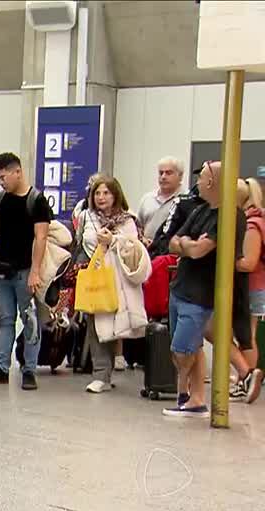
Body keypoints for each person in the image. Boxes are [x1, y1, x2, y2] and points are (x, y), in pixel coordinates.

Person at [165, 161, 247, 418]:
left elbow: (201, 250)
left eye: (201, 177)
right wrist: (188, 245)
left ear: (211, 182)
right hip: (181, 288)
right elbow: (173, 242)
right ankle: (194, 400)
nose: (197, 182)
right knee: (191, 347)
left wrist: (187, 246)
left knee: (183, 349)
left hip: (200, 294)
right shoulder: (199, 210)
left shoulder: (229, 215)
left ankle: (185, 395)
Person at [0, 152, 53, 391]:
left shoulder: (36, 200)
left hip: (24, 270)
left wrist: (35, 272)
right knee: (5, 320)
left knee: (29, 320)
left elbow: (40, 237)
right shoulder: (1, 199)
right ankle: (2, 367)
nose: (2, 182)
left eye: (4, 177)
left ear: (17, 172)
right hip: (2, 268)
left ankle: (29, 369)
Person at [73, 176, 149, 393]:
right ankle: (101, 375)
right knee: (97, 325)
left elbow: (134, 246)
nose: (101, 197)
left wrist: (113, 241)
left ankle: (130, 361)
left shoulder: (127, 219)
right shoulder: (87, 217)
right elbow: (80, 243)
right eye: (97, 193)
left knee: (123, 324)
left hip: (120, 279)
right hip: (96, 277)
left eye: (106, 192)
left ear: (115, 194)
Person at [221, 179, 265, 404]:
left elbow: (248, 262)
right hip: (253, 286)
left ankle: (245, 377)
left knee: (245, 336)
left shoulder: (252, 224)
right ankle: (245, 377)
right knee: (246, 335)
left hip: (250, 286)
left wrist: (224, 258)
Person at [137, 156, 186, 244]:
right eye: (161, 173)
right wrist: (143, 239)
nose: (163, 177)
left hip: (171, 254)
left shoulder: (186, 200)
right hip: (147, 252)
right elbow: (138, 227)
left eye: (168, 173)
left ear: (180, 176)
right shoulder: (147, 198)